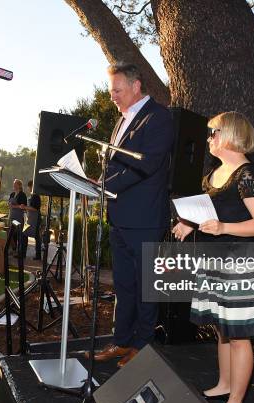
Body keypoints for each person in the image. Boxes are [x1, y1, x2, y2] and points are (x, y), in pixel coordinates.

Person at [172, 111, 254, 403]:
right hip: (216, 262)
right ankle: (225, 384)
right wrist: (189, 223)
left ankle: (237, 401)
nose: (208, 138)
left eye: (213, 132)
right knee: (222, 328)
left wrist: (224, 228)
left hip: (242, 265)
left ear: (230, 135)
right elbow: (212, 211)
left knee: (240, 335)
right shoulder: (213, 175)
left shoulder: (247, 176)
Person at [89, 63, 175, 368]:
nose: (112, 95)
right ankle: (122, 341)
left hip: (145, 219)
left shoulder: (159, 117)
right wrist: (99, 183)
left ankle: (143, 347)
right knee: (123, 286)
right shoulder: (121, 120)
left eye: (117, 89)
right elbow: (117, 166)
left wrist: (103, 185)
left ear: (136, 86)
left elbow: (147, 164)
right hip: (120, 218)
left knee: (144, 287)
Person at [8, 179, 28, 258]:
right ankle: (14, 249)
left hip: (18, 217)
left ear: (19, 185)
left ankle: (19, 252)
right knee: (11, 233)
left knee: (18, 234)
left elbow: (23, 207)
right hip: (12, 215)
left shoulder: (22, 195)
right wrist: (10, 205)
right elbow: (9, 203)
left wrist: (14, 206)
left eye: (15, 184)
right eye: (13, 184)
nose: (14, 185)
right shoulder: (12, 194)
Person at [24, 180, 42, 260]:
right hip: (29, 218)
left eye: (29, 187)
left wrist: (25, 207)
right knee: (24, 234)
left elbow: (35, 208)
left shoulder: (36, 196)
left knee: (36, 237)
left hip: (35, 219)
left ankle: (38, 255)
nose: (28, 188)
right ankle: (22, 253)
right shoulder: (32, 195)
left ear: (31, 186)